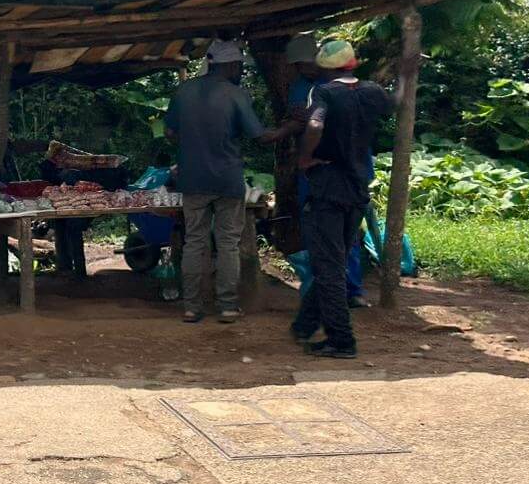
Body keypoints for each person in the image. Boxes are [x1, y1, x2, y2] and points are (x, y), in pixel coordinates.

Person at [291, 38, 403, 359]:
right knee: (335, 261)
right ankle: (304, 325)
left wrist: (305, 157)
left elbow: (315, 124)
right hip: (357, 188)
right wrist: (406, 73)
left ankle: (342, 340)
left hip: (328, 187)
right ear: (352, 64)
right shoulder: (371, 92)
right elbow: (396, 101)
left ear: (324, 69)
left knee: (328, 267)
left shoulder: (324, 93)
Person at [165, 40, 279, 325]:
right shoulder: (236, 94)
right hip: (227, 179)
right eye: (239, 66)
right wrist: (289, 128)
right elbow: (259, 136)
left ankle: (192, 307)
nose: (240, 71)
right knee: (228, 243)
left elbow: (169, 133)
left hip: (192, 178)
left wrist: (192, 143)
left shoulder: (184, 90)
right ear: (231, 65)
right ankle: (227, 306)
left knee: (194, 241)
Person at [284, 34, 368, 307]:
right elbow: (300, 117)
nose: (304, 69)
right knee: (319, 232)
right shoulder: (302, 86)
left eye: (307, 63)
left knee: (346, 233)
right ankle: (326, 290)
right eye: (299, 65)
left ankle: (350, 289)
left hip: (343, 170)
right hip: (318, 171)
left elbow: (311, 121)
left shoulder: (342, 85)